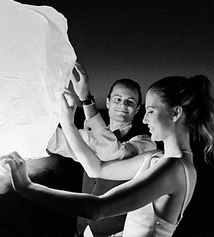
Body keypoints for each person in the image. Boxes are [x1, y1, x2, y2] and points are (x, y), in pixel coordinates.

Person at [1, 75, 214, 237]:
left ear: (176, 113)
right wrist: (66, 122)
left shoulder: (171, 167)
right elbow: (97, 168)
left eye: (150, 111)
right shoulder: (157, 159)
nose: (145, 120)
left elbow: (98, 208)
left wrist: (26, 187)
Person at [47, 63, 157, 237]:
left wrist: (86, 100)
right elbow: (55, 141)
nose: (123, 105)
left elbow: (112, 153)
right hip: (82, 230)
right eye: (117, 99)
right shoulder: (90, 137)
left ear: (137, 109)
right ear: (107, 102)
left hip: (116, 233)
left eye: (130, 102)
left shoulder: (146, 143)